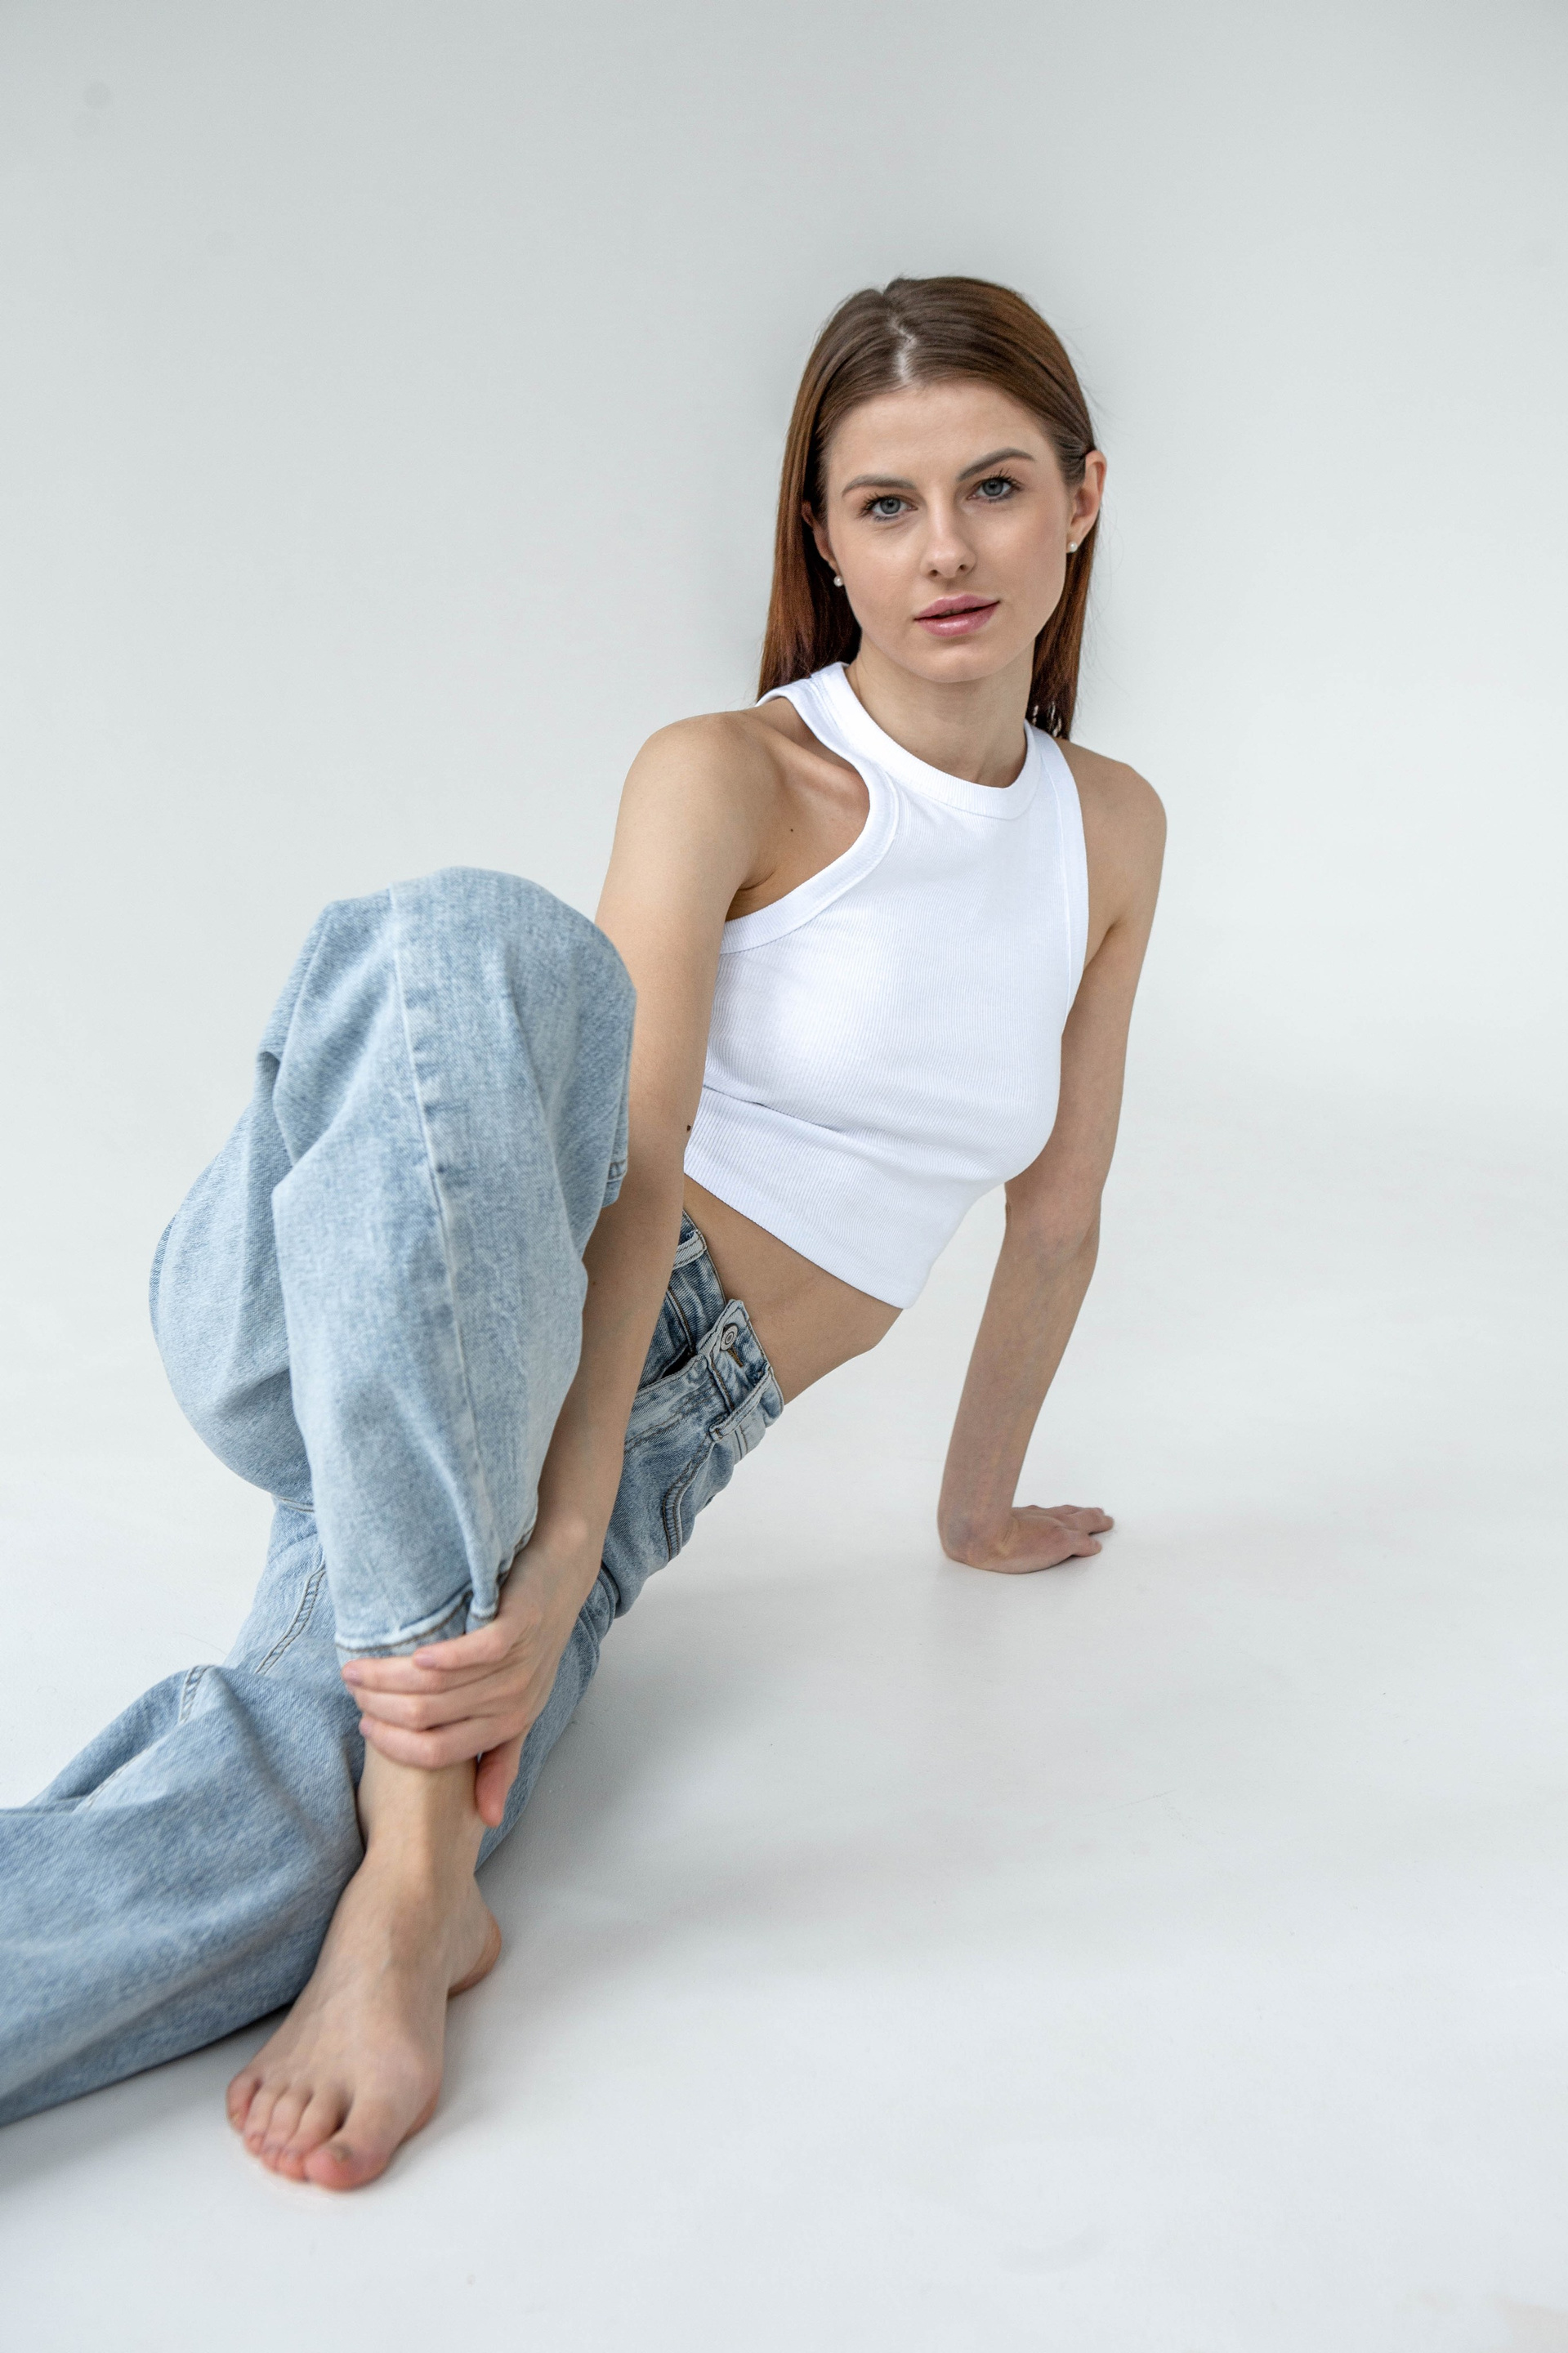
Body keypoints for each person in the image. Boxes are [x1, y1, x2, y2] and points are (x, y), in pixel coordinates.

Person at [0, 275, 1164, 2186]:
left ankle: (379, 1858)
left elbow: (1058, 1220)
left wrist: (974, 1515)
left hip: (616, 1433)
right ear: (825, 539)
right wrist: (550, 1541)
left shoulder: (1108, 831)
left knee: (271, 1827)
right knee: (472, 942)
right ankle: (415, 1895)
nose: (946, 550)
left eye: (995, 487)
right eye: (886, 504)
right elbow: (634, 1161)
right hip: (420, 1276)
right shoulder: (732, 772)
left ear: (1083, 497)